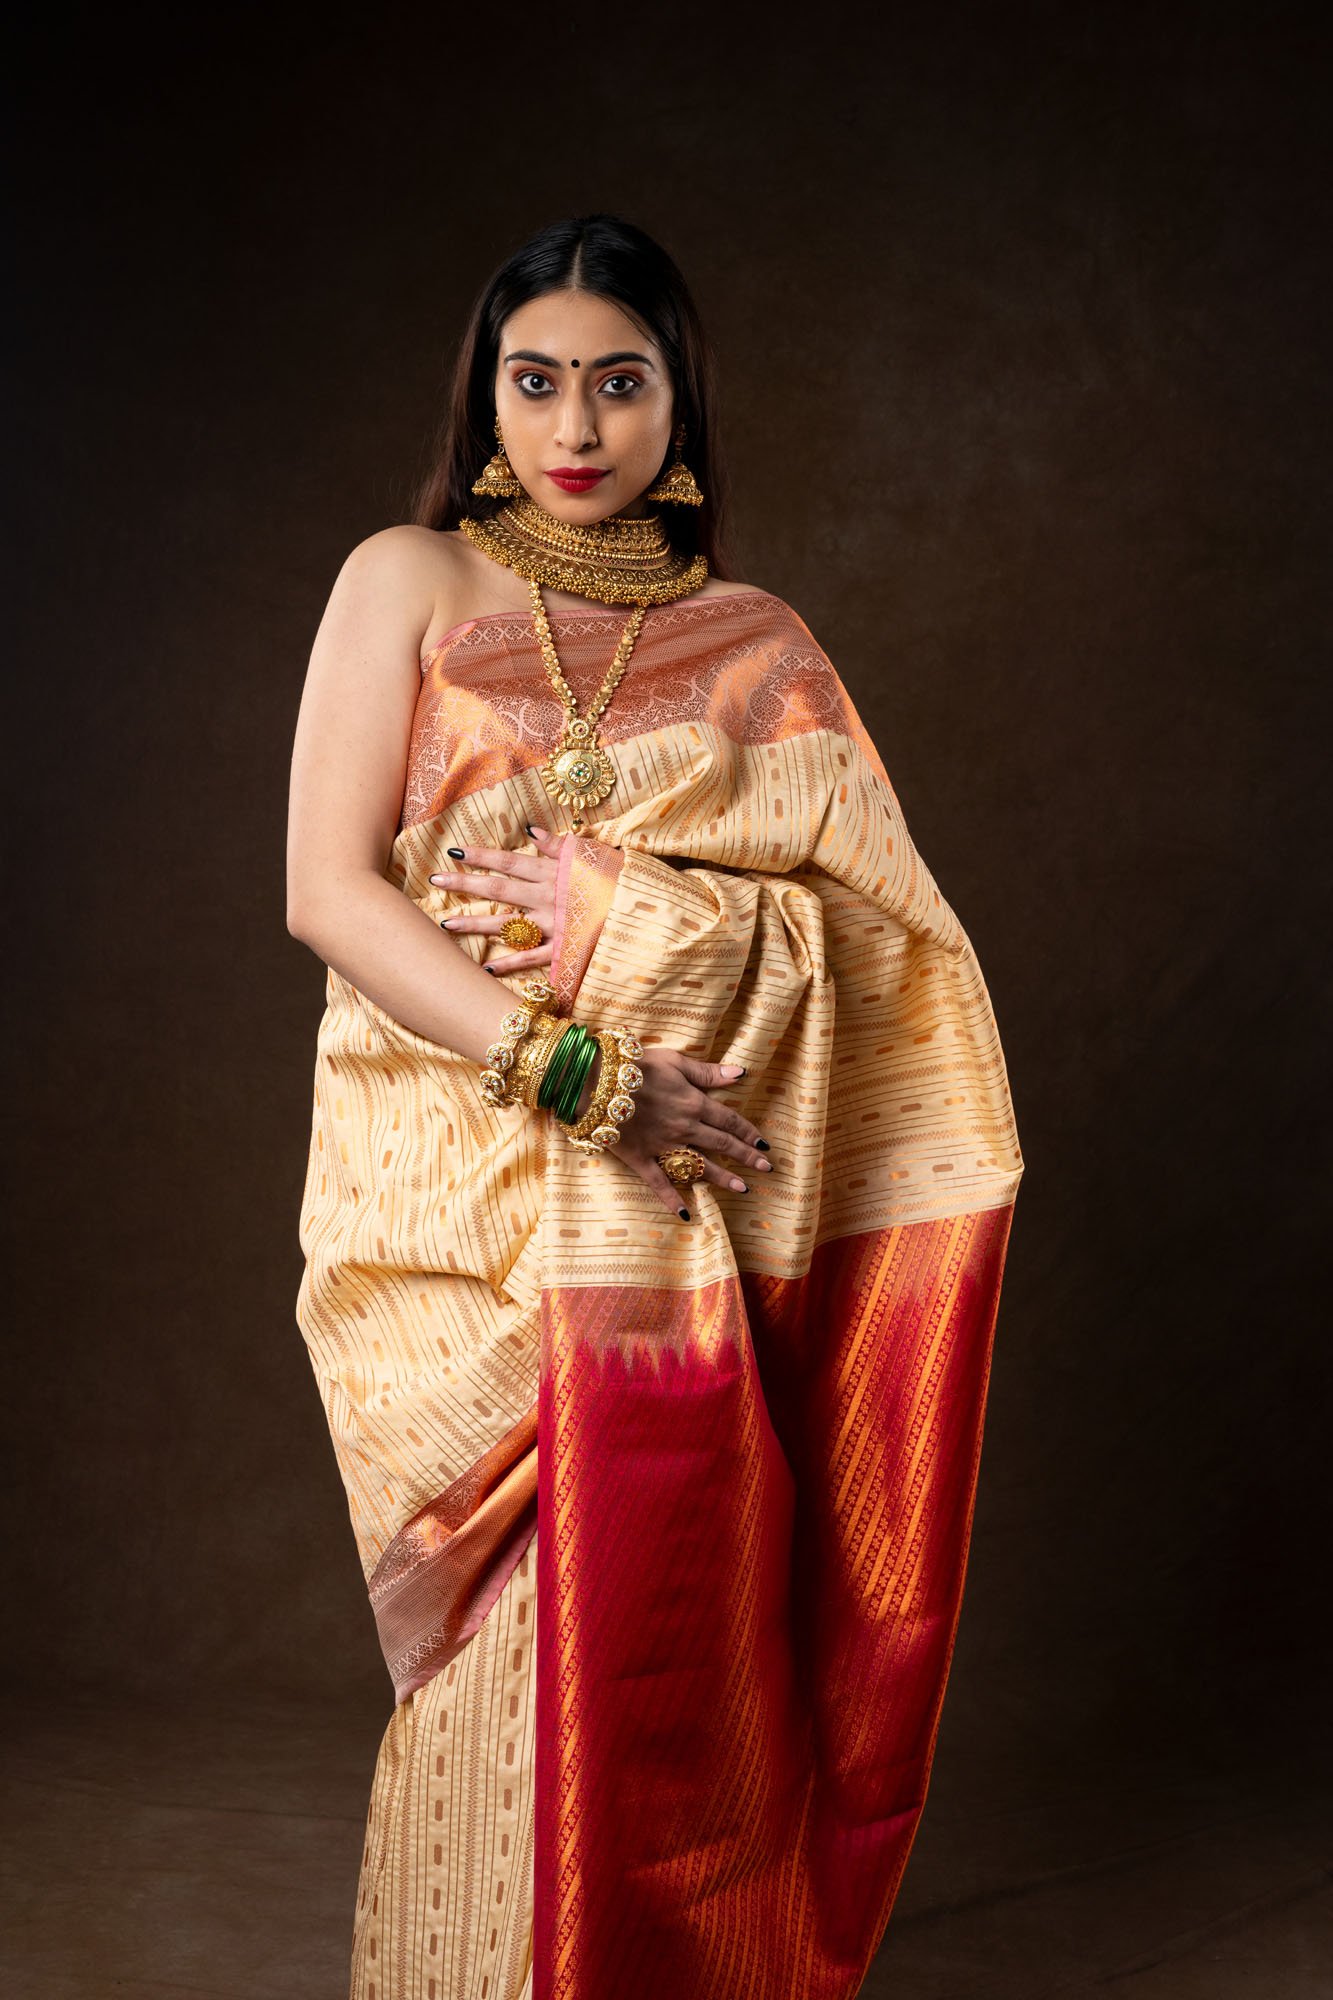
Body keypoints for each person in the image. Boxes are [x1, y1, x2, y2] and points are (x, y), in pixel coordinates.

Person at [287, 212, 1024, 2000]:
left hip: (678, 1242)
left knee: (658, 1648)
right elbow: (326, 889)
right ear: (485, 399)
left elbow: (892, 959)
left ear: (677, 401)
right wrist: (574, 1067)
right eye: (536, 380)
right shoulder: (407, 579)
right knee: (497, 1668)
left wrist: (637, 922)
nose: (576, 425)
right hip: (461, 1209)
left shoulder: (760, 647)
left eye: (619, 383)